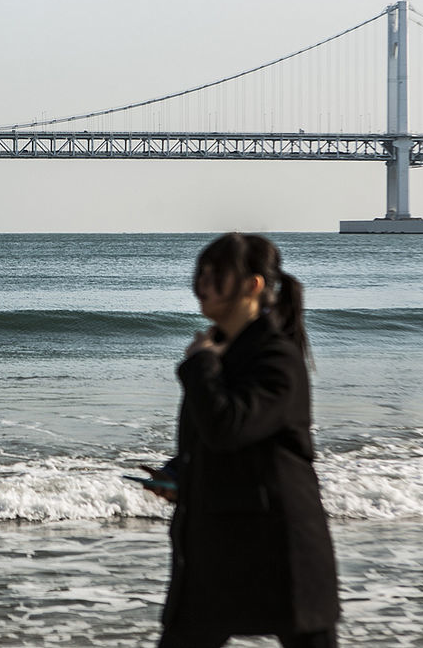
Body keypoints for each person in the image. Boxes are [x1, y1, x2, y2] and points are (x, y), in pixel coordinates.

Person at [143, 232, 340, 648]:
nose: (203, 284)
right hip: (221, 541)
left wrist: (200, 366)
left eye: (217, 274)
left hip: (279, 546)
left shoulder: (275, 356)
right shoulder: (223, 352)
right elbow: (222, 438)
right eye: (201, 273)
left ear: (253, 285)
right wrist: (180, 473)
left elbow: (229, 426)